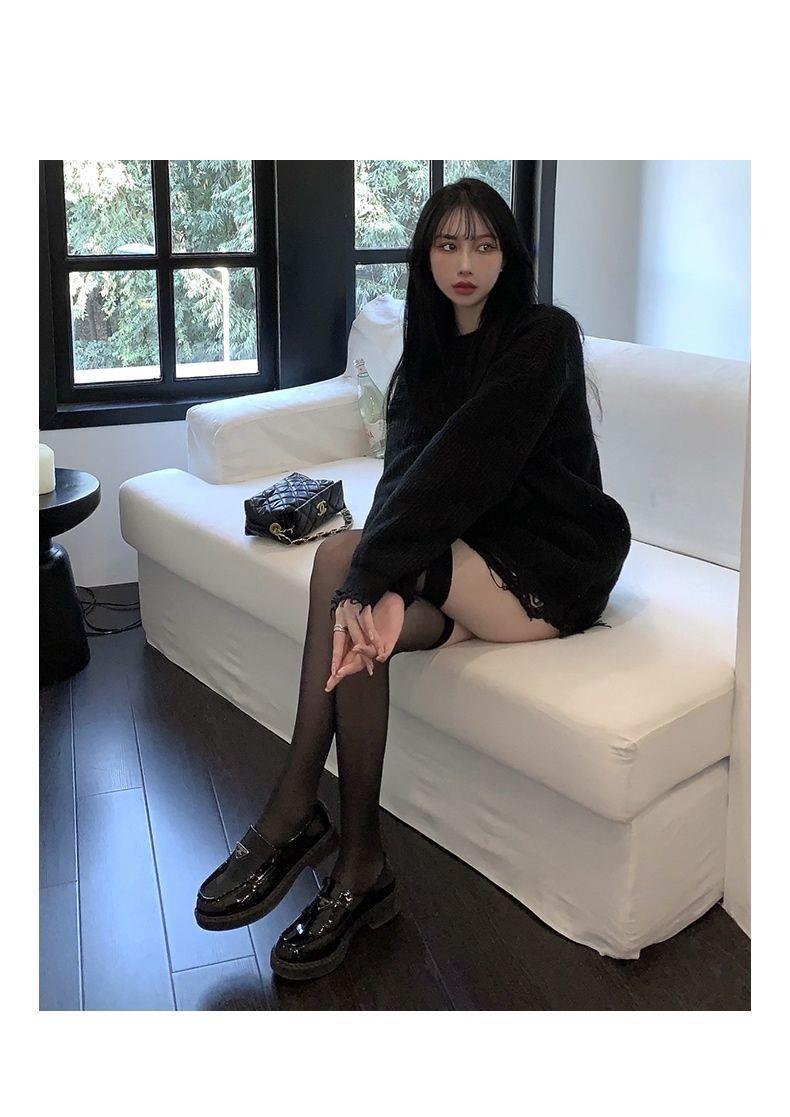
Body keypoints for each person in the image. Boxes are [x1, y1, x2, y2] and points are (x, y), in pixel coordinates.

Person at [194, 178, 632, 982]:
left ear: (509, 256)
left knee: (343, 566)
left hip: (551, 557)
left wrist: (370, 570)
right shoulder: (425, 354)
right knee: (360, 601)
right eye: (448, 244)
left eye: (484, 245)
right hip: (470, 557)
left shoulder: (543, 337)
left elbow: (466, 464)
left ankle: (300, 812)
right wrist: (376, 582)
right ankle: (359, 863)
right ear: (425, 256)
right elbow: (406, 479)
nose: (466, 263)